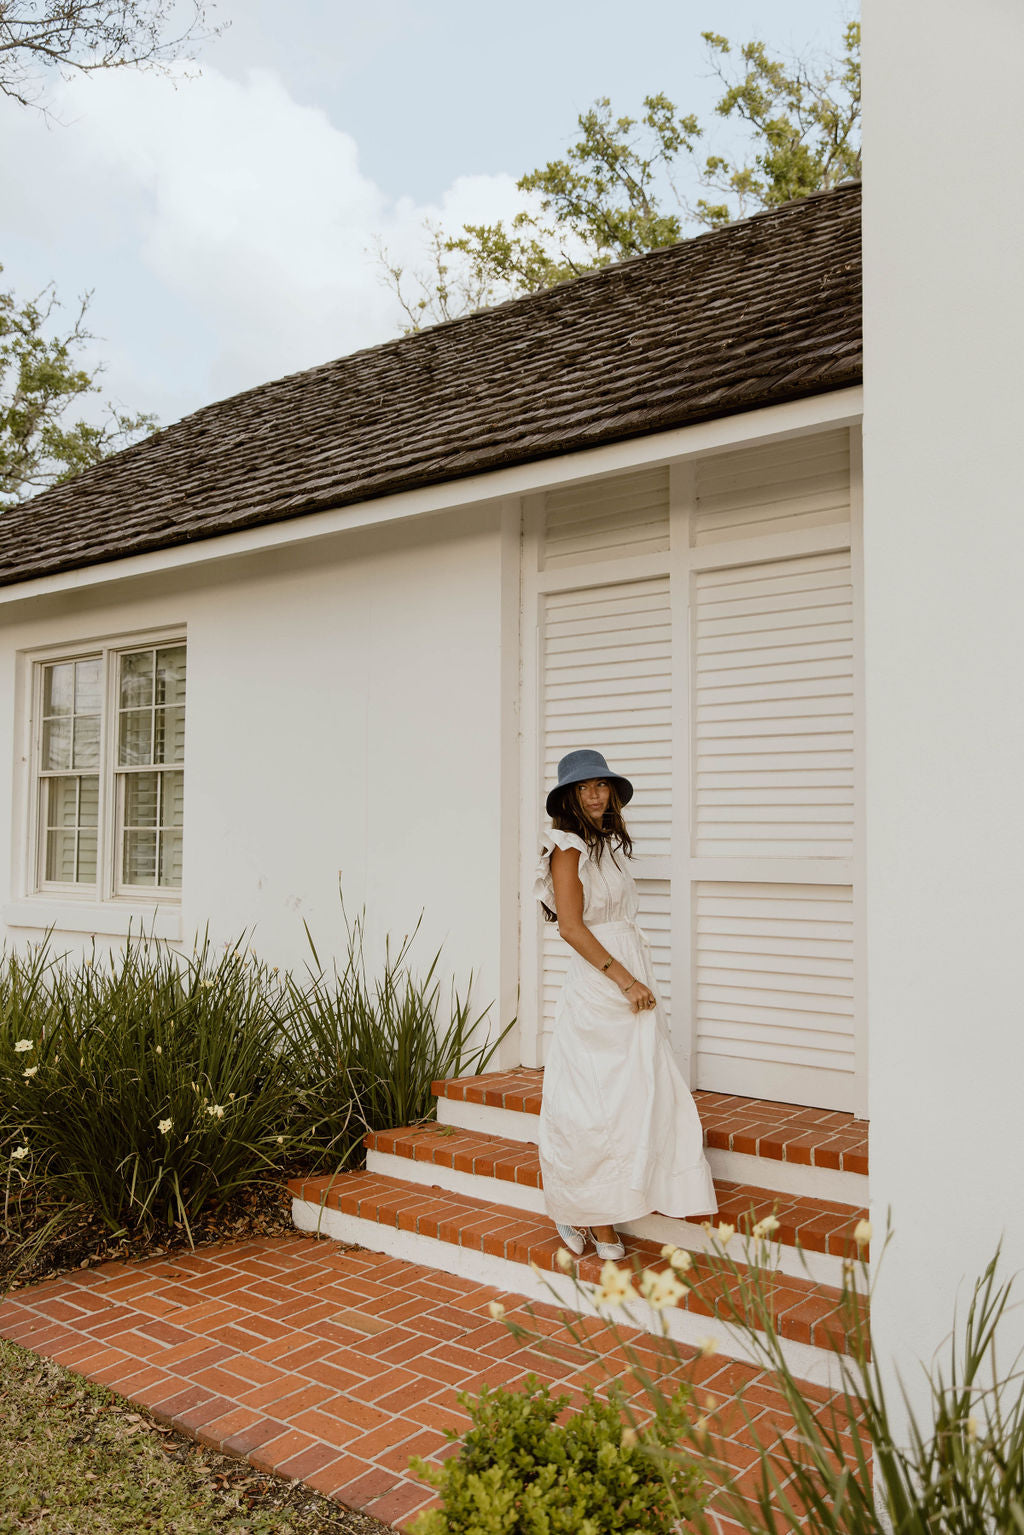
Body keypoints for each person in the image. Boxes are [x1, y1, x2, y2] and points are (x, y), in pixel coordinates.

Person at [534, 748, 717, 1261]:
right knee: (594, 1102)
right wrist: (624, 979)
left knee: (636, 1095)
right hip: (602, 982)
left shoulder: (606, 846)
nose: (595, 793)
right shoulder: (565, 847)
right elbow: (571, 927)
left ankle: (609, 1204)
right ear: (569, 796)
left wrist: (635, 975)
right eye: (585, 786)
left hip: (627, 968)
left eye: (602, 785)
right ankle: (581, 1210)